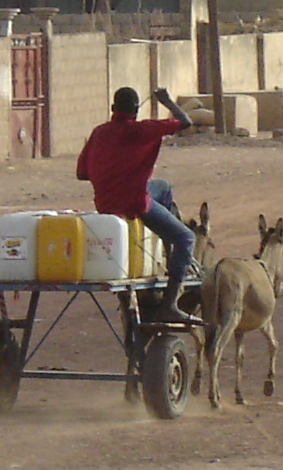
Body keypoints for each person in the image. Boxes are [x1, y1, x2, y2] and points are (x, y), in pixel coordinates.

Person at [76, 85, 197, 322]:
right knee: (186, 238)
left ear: (113, 108)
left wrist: (110, 169)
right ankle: (170, 302)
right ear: (136, 110)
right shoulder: (141, 130)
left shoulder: (99, 132)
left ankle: (167, 253)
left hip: (105, 201)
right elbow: (185, 122)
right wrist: (167, 101)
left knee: (162, 186)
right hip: (133, 201)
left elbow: (81, 173)